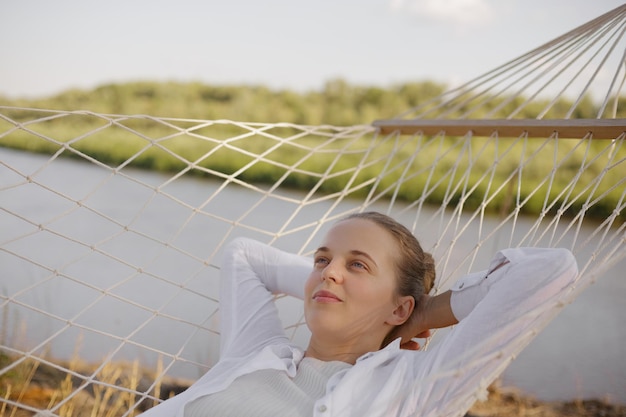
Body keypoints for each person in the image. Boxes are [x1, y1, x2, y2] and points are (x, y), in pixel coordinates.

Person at [140, 211, 578, 417]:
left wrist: (423, 312)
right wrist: (335, 284)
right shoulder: (255, 353)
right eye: (321, 260)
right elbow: (245, 257)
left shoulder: (412, 393)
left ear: (399, 306)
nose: (330, 271)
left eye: (357, 264)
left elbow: (549, 271)